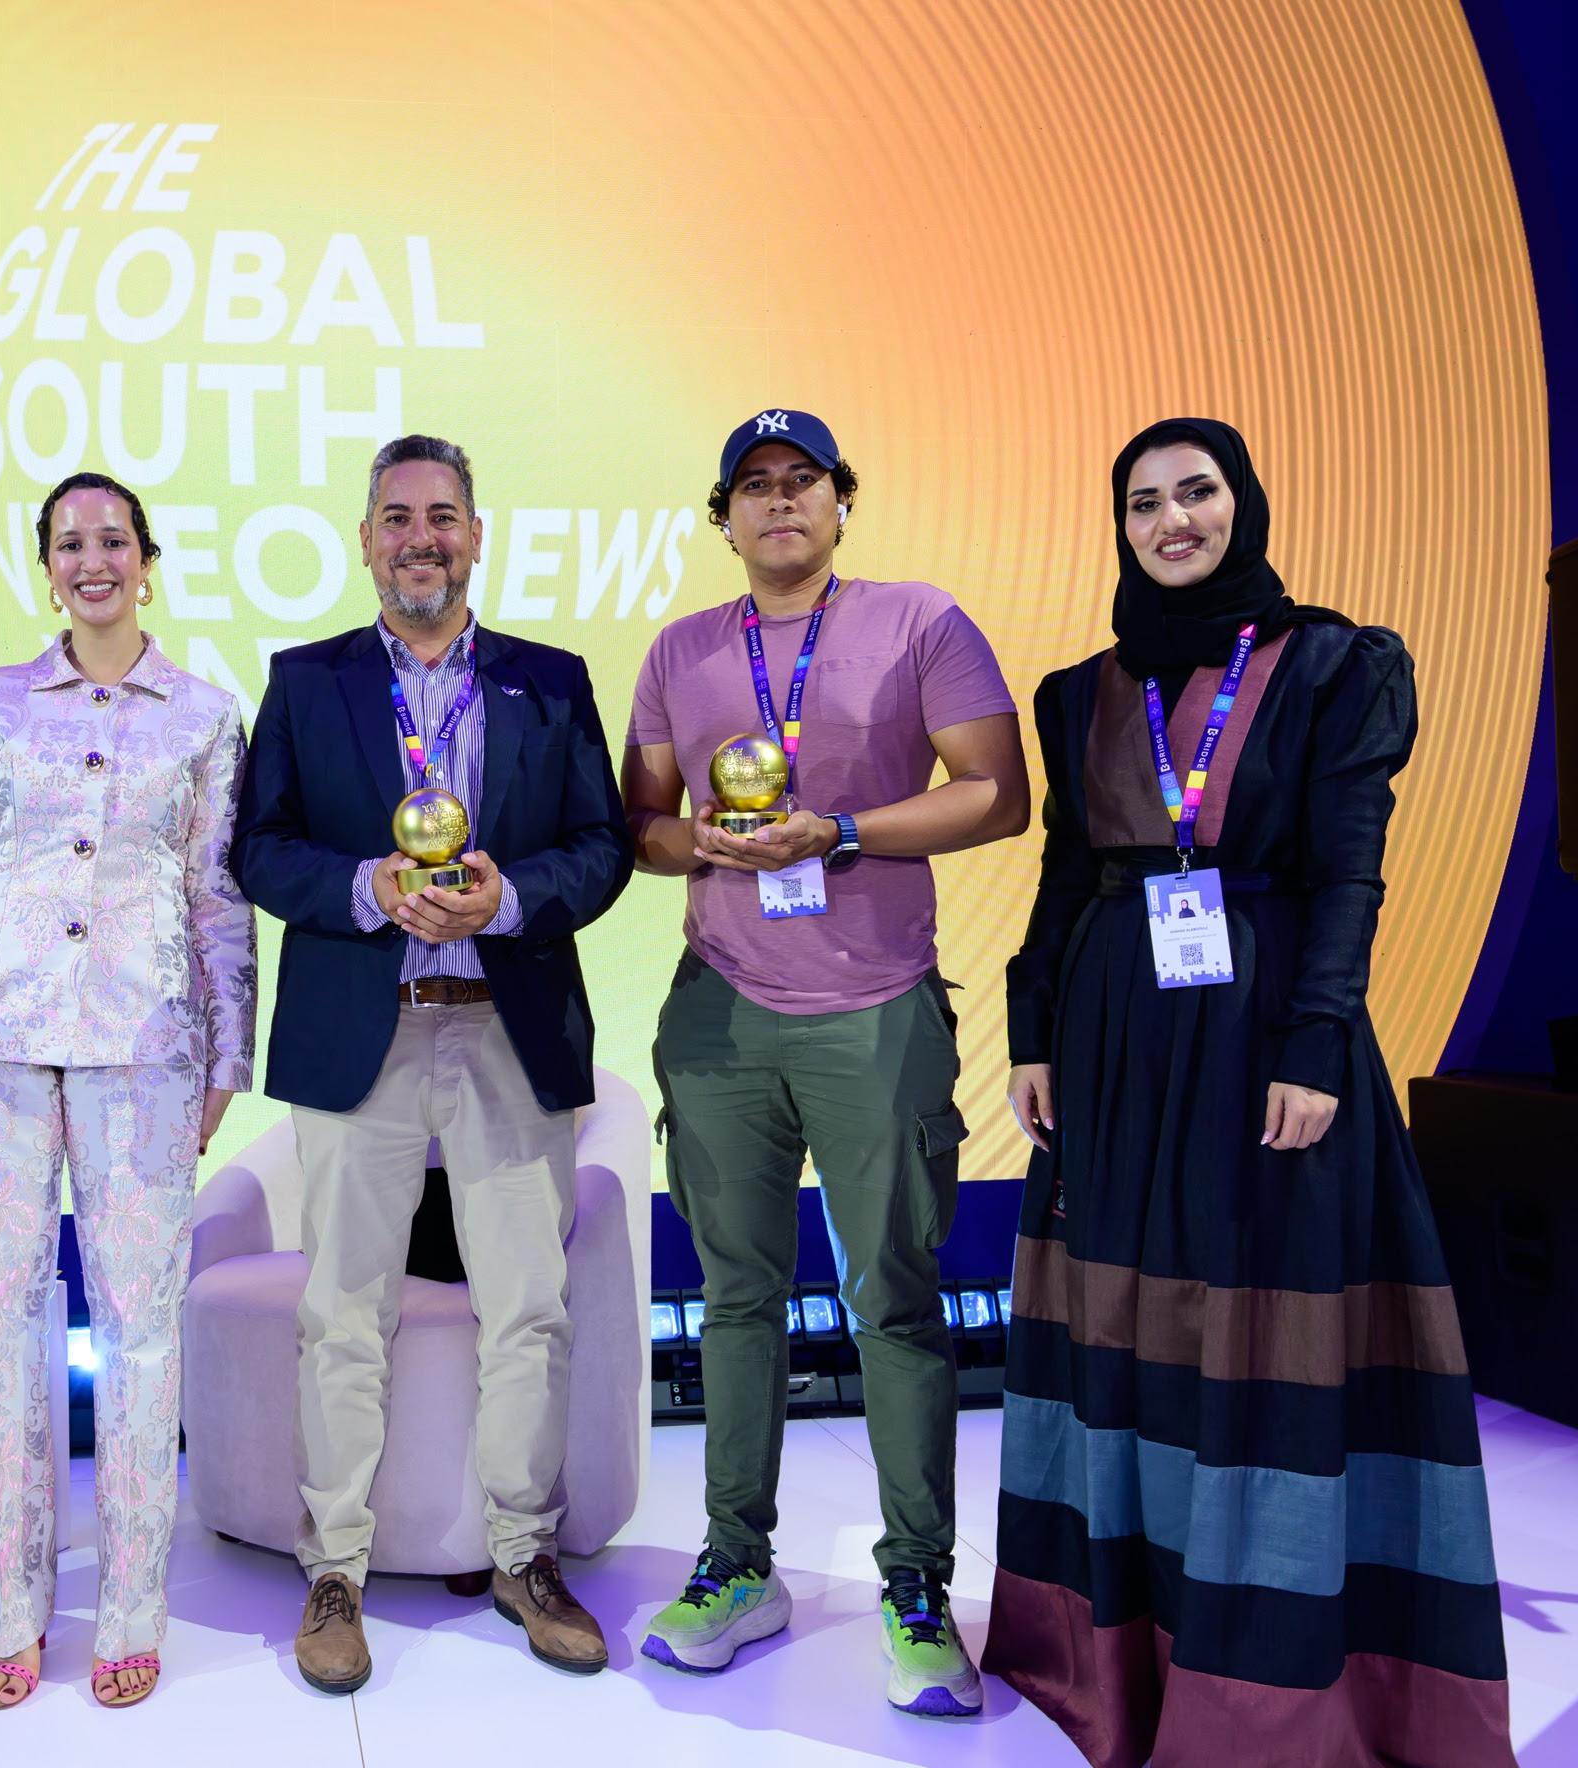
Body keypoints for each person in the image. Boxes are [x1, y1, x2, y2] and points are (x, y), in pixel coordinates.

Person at [985, 419, 1513, 1766]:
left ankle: (1259, 1683)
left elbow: (1349, 874)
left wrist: (1315, 1045)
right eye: (1144, 502)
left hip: (1263, 1032)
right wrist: (1033, 1033)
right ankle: (1116, 1651)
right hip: (1114, 1045)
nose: (1173, 521)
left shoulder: (1337, 664)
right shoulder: (1080, 690)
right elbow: (1066, 877)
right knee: (1128, 1333)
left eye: (1198, 492)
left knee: (1261, 1335)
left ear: (1244, 503)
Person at [623, 409, 1028, 1714]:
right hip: (721, 1012)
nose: (780, 501)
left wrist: (837, 830)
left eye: (804, 481)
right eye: (754, 485)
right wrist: (706, 844)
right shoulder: (682, 649)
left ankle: (917, 1588)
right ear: (724, 518)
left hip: (878, 1008)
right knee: (736, 1299)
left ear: (841, 501)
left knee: (893, 1301)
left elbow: (997, 792)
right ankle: (737, 1567)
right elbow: (643, 824)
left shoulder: (919, 621)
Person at [233, 434, 632, 1692]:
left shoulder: (550, 682)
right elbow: (260, 849)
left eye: (444, 516)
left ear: (476, 536)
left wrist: (510, 898)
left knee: (530, 1309)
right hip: (367, 1027)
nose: (422, 538)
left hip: (508, 1022)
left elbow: (603, 848)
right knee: (342, 1312)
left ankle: (524, 1555)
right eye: (398, 517)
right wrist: (366, 886)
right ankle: (335, 1570)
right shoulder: (305, 681)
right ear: (366, 542)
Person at [0, 471, 255, 1712]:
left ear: (148, 559)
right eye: (70, 542)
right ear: (46, 566)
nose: (94, 560)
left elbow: (217, 897)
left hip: (146, 1044)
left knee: (141, 1332)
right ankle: (6, 1612)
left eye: (114, 539)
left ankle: (131, 1613)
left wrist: (227, 1056)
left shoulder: (207, 716)